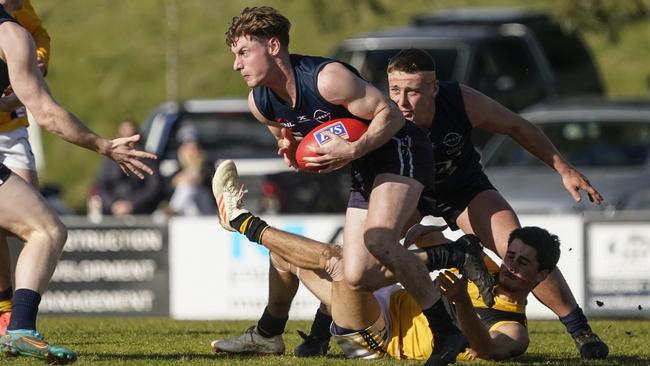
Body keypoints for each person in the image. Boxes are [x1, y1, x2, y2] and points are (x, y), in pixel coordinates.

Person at [212, 7, 494, 364]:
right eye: (234, 55)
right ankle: (453, 255)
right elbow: (282, 128)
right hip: (364, 165)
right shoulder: (260, 101)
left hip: (400, 148)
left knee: (379, 240)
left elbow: (389, 114)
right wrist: (289, 147)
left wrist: (354, 148)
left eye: (243, 52)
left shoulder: (327, 78)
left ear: (272, 46)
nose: (237, 64)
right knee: (356, 274)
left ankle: (446, 333)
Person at [209, 162, 558, 364]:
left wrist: (462, 302)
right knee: (284, 254)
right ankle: (268, 335)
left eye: (522, 264)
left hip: (379, 337)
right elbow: (425, 233)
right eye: (510, 256)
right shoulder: (486, 268)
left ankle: (239, 220)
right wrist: (423, 230)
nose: (511, 266)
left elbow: (487, 349)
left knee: (344, 267)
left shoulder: (514, 328)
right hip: (385, 300)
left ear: (541, 275)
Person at [385, 48, 608, 359]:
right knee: (370, 250)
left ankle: (581, 331)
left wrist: (563, 168)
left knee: (520, 247)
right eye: (395, 90)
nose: (402, 102)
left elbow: (516, 126)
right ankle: (322, 328)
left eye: (413, 91)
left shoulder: (460, 101)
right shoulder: (378, 109)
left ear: (434, 88)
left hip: (463, 189)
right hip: (410, 192)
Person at [0, 1, 157, 363]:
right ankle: (20, 328)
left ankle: (10, 318)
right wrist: (103, 146)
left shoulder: (26, 29)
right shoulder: (12, 33)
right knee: (47, 230)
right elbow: (47, 114)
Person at [0, 0, 49, 335]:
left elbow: (40, 43)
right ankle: (7, 312)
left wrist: (35, 66)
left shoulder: (22, 15)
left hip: (11, 128)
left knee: (31, 217)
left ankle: (18, 316)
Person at [94, 118, 162, 217]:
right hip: (114, 210)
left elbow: (154, 187)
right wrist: (113, 204)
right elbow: (101, 185)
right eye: (123, 136)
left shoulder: (147, 158)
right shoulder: (109, 161)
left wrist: (132, 204)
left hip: (140, 211)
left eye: (131, 136)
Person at [167, 123, 216, 216]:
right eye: (186, 146)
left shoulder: (207, 164)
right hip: (189, 213)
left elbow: (203, 178)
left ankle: (173, 210)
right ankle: (173, 211)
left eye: (193, 146)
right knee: (184, 187)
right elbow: (170, 184)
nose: (190, 150)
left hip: (207, 211)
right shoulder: (179, 168)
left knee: (188, 187)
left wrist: (190, 176)